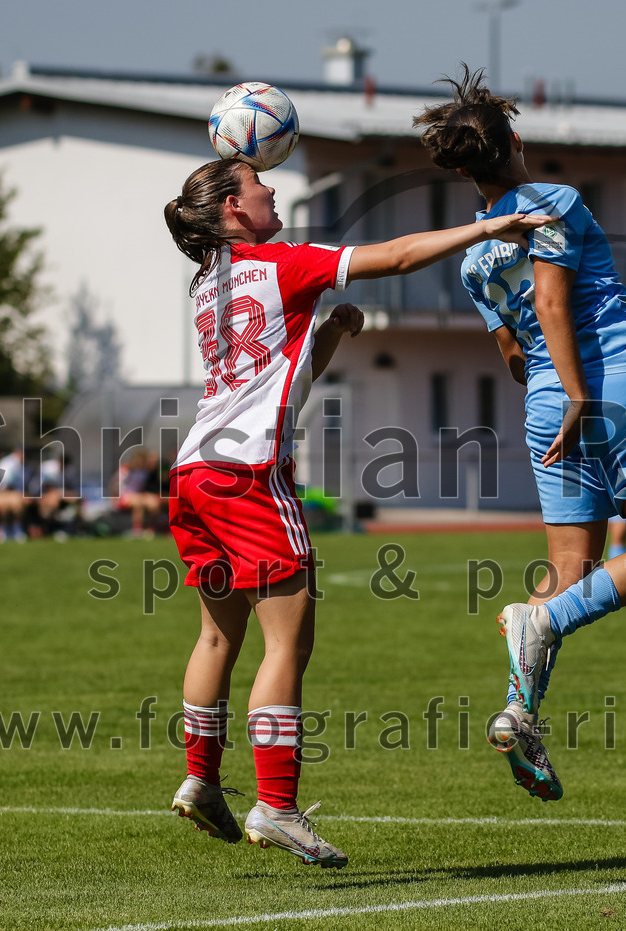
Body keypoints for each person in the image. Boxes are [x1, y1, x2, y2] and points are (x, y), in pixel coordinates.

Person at [162, 157, 550, 867]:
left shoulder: (205, 283)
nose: (272, 188)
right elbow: (398, 255)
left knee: (218, 639)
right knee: (288, 643)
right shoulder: (286, 263)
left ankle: (201, 776)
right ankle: (276, 807)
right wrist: (491, 224)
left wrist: (331, 336)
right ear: (231, 209)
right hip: (249, 474)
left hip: (193, 472)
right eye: (257, 182)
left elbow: (272, 376)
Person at [415, 66, 626, 801]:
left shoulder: (476, 261)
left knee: (569, 571)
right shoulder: (555, 200)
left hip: (545, 405)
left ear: (460, 169)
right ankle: (536, 621)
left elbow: (513, 355)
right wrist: (589, 393)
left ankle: (519, 708)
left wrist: (560, 393)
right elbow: (550, 298)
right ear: (515, 138)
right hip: (608, 388)